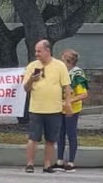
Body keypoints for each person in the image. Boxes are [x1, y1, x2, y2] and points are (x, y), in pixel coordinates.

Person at [23, 40, 69, 174]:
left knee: (51, 139)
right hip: (36, 109)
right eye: (36, 51)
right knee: (33, 138)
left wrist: (68, 103)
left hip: (54, 109)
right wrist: (32, 79)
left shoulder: (60, 65)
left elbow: (66, 86)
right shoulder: (32, 66)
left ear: (47, 51)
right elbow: (25, 88)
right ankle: (30, 164)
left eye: (39, 51)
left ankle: (47, 165)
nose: (36, 54)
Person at [55, 49, 89, 172]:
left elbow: (84, 94)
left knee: (71, 133)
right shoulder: (61, 72)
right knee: (60, 134)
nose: (60, 61)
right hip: (60, 108)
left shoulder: (77, 75)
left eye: (62, 59)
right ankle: (59, 160)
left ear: (68, 61)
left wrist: (70, 101)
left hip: (72, 109)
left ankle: (71, 161)